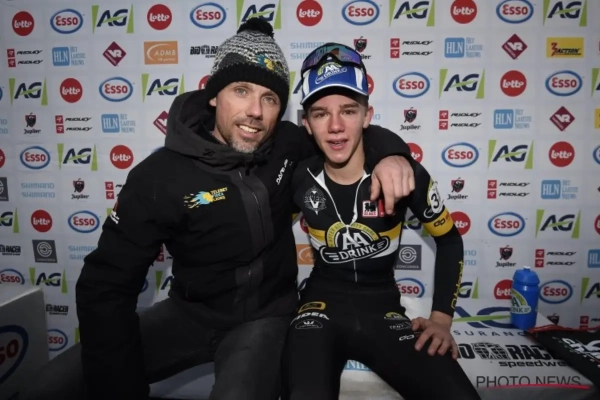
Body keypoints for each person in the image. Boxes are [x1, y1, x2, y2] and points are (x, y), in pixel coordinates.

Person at [19, 20, 416, 400]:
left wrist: (391, 153)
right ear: (213, 95)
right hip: (187, 314)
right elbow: (106, 284)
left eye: (270, 98)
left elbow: (344, 133)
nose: (255, 111)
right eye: (241, 90)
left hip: (265, 318)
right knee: (47, 390)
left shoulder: (287, 143)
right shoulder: (159, 176)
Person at [283, 44, 482, 399]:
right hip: (319, 308)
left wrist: (441, 319)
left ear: (367, 116)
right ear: (307, 124)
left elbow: (450, 239)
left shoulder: (404, 173)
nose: (336, 126)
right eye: (320, 113)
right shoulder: (296, 175)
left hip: (384, 309)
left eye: (348, 110)